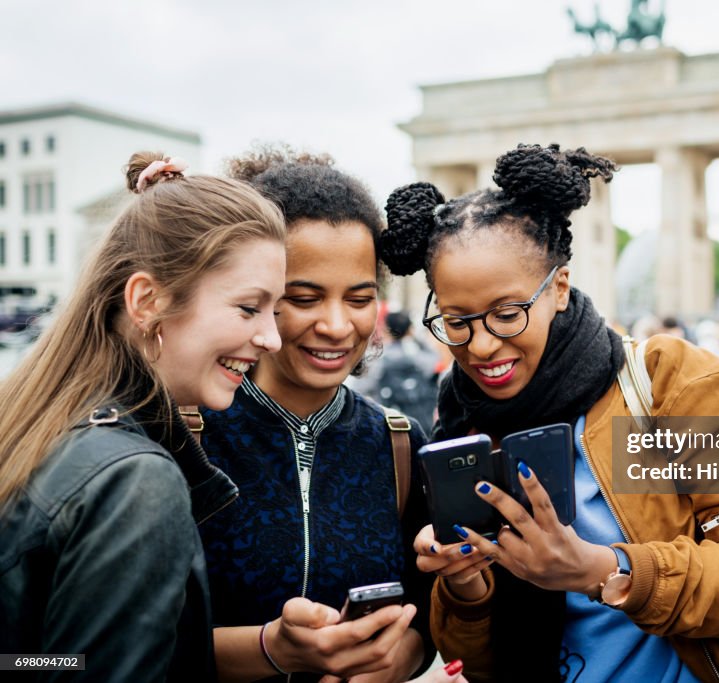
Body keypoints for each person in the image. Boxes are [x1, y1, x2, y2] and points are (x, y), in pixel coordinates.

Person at [379, 144, 719, 682]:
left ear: (559, 287)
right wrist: (466, 584)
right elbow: (477, 662)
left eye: (507, 314)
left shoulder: (674, 384)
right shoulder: (462, 423)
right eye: (456, 320)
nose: (482, 345)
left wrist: (604, 570)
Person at [0, 153, 288, 680]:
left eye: (277, 310)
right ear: (147, 299)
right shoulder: (134, 479)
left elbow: (39, 658)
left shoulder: (37, 420)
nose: (272, 337)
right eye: (249, 308)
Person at [197, 146, 437, 682]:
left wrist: (400, 659)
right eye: (304, 297)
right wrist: (269, 649)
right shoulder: (181, 435)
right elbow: (90, 650)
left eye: (358, 299)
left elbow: (428, 615)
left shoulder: (400, 442)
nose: (336, 325)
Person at [371, 311, 440, 430]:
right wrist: (414, 336)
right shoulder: (418, 359)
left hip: (392, 425)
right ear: (409, 329)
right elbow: (435, 357)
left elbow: (362, 387)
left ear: (387, 329)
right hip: (422, 423)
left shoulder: (379, 359)